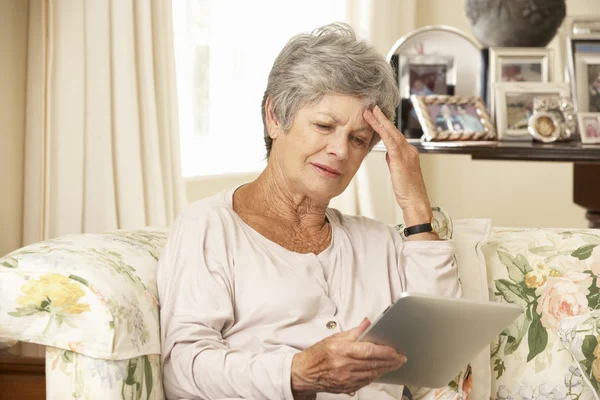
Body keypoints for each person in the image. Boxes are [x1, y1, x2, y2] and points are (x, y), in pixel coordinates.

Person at [157, 23, 461, 400]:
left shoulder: (378, 242)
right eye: (323, 125)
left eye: (358, 139)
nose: (340, 150)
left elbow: (442, 354)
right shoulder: (210, 227)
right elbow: (182, 369)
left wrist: (415, 205)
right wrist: (297, 374)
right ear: (273, 116)